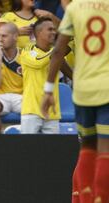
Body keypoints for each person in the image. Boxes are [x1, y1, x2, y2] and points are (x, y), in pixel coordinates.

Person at [41, 0, 109, 202]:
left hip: (82, 90)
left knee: (87, 147)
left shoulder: (74, 8)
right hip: (106, 88)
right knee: (104, 150)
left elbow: (59, 51)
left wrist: (48, 90)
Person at [20, 17, 72, 134]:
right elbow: (39, 62)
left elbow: (71, 74)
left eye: (54, 29)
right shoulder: (27, 51)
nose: (53, 32)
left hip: (52, 112)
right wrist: (61, 46)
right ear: (38, 32)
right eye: (50, 29)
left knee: (52, 152)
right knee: (28, 150)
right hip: (31, 111)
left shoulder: (56, 54)